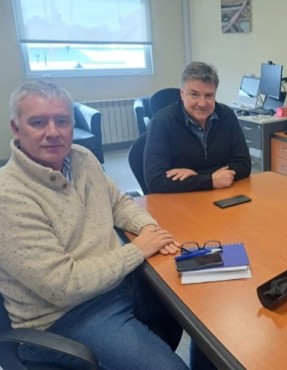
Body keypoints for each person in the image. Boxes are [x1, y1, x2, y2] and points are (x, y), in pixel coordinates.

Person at [0, 81, 188, 369]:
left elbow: (119, 203)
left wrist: (150, 229)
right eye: (38, 122)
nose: (53, 132)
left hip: (117, 282)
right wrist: (137, 250)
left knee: (202, 313)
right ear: (16, 128)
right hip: (67, 315)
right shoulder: (9, 197)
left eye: (62, 121)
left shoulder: (82, 159)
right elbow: (63, 285)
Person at [144, 61, 251, 193]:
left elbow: (244, 165)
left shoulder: (226, 115)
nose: (202, 103)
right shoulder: (161, 122)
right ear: (182, 93)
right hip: (180, 202)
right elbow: (155, 181)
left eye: (209, 95)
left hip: (220, 196)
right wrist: (210, 180)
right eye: (194, 94)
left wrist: (196, 176)